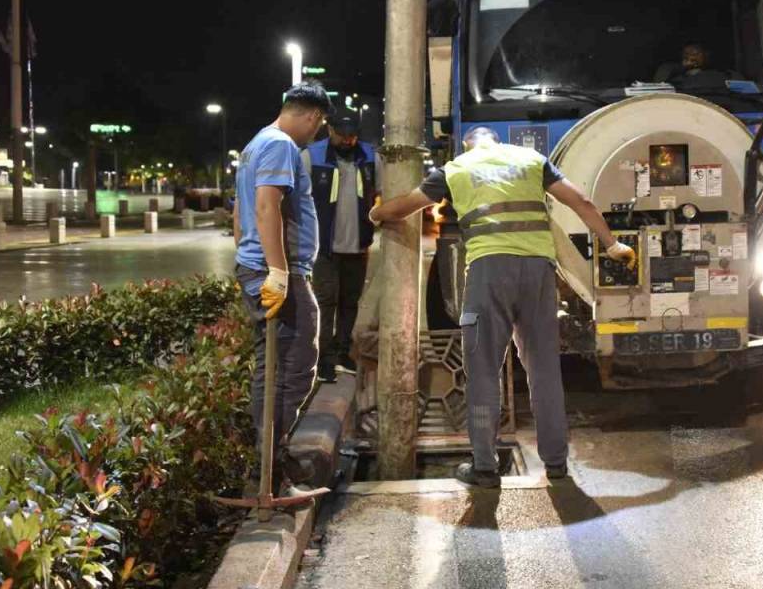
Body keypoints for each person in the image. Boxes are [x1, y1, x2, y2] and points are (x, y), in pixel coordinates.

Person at [369, 126, 636, 488]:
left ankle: (484, 467)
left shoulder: (456, 168)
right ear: (497, 140)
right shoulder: (531, 160)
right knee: (543, 369)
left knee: (482, 370)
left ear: (468, 143)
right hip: (539, 271)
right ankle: (556, 465)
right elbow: (582, 202)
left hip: (489, 271)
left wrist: (378, 213)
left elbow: (404, 207)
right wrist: (612, 244)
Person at [231, 82, 330, 491]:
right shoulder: (281, 145)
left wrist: (249, 257)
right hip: (276, 273)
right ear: (310, 116)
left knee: (273, 367)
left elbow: (239, 211)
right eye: (318, 125)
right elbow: (266, 205)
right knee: (294, 367)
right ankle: (267, 467)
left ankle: (271, 461)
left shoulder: (256, 142)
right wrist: (277, 271)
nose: (316, 134)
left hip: (258, 267)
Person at [308, 110, 378, 381]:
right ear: (330, 130)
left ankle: (342, 354)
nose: (348, 141)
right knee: (326, 303)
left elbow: (381, 192)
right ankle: (323, 360)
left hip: (357, 247)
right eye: (342, 135)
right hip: (324, 249)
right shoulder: (311, 157)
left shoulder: (370, 156)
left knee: (350, 302)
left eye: (352, 135)